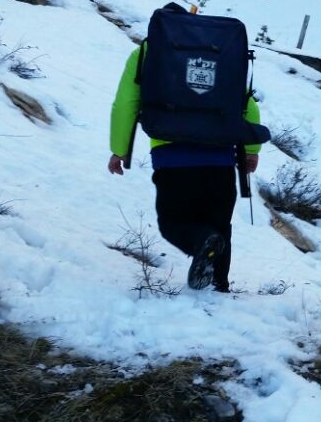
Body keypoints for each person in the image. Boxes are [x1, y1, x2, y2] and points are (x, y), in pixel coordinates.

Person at [107, 40, 262, 293]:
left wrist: (119, 149)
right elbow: (247, 103)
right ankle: (219, 287)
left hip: (173, 158)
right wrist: (252, 151)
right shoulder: (217, 52)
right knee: (220, 225)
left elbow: (126, 103)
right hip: (219, 158)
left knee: (173, 223)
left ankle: (202, 242)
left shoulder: (149, 51)